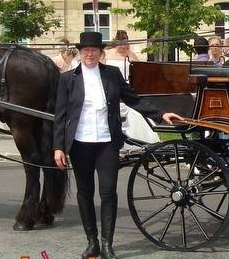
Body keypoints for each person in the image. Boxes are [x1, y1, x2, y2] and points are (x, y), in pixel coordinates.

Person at [53, 31, 184, 259]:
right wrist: (58, 147)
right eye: (86, 50)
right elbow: (60, 115)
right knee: (85, 193)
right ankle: (92, 241)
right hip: (80, 143)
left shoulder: (112, 74)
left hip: (107, 142)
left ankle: (107, 244)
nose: (90, 54)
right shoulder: (68, 79)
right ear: (80, 52)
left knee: (108, 192)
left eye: (94, 50)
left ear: (100, 52)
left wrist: (161, 114)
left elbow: (134, 99)